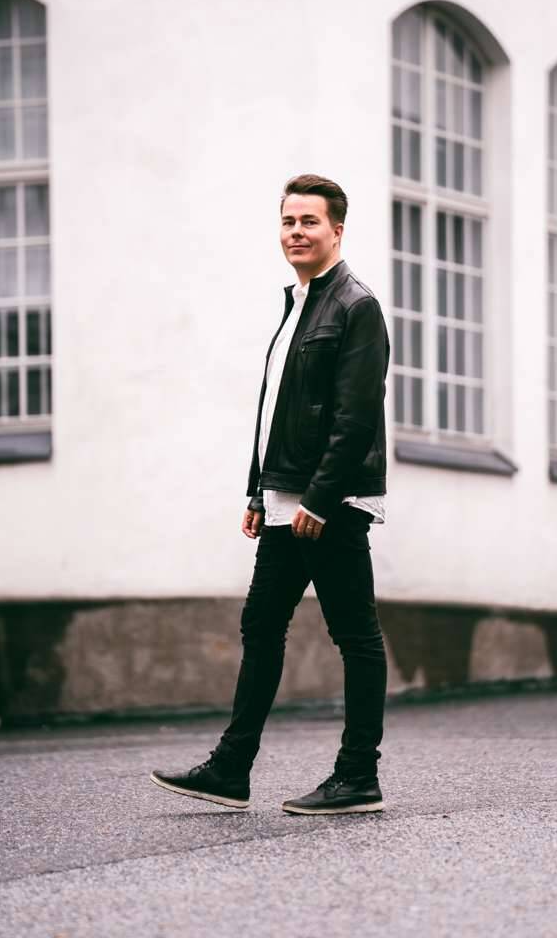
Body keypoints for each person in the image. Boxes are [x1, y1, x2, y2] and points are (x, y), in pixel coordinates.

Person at [151, 174, 390, 814]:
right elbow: (276, 414)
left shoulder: (356, 306)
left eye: (309, 221)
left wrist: (319, 497)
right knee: (261, 625)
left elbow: (355, 419)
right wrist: (259, 491)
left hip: (328, 505)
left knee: (355, 636)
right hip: (287, 500)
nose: (296, 232)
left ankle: (358, 776)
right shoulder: (297, 305)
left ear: (337, 229)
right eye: (288, 221)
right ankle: (232, 770)